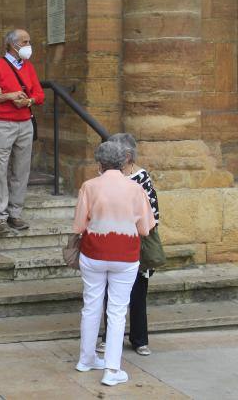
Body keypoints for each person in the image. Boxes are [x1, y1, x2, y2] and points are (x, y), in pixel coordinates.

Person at [73, 141, 155, 387]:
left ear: (99, 163)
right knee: (117, 310)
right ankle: (111, 368)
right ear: (124, 162)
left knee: (91, 305)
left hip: (93, 252)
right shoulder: (135, 189)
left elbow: (78, 227)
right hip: (125, 255)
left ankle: (86, 359)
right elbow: (145, 229)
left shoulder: (89, 186)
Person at [97, 132, 160, 357]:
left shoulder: (141, 178)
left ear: (127, 156)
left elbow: (152, 214)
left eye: (116, 152)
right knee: (109, 293)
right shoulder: (104, 176)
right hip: (110, 241)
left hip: (135, 242)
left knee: (137, 293)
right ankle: (108, 337)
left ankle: (139, 339)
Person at [0, 29, 45, 235]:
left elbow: (39, 94)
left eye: (29, 41)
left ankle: (15, 213)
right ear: (12, 44)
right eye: (25, 42)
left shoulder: (29, 66)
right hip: (4, 123)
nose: (28, 45)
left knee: (21, 169)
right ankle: (0, 216)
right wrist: (8, 96)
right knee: (0, 168)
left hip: (25, 122)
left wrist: (29, 101)